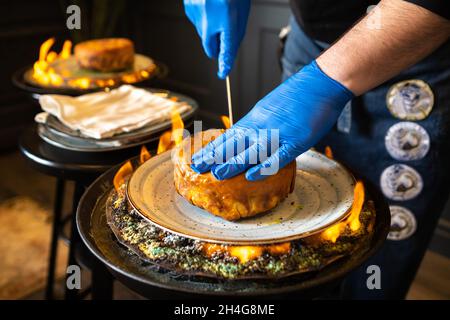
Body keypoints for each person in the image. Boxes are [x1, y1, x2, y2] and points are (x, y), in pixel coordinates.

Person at [183, 0, 450, 299]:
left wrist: (322, 84)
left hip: (412, 59)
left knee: (375, 259)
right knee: (293, 262)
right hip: (309, 47)